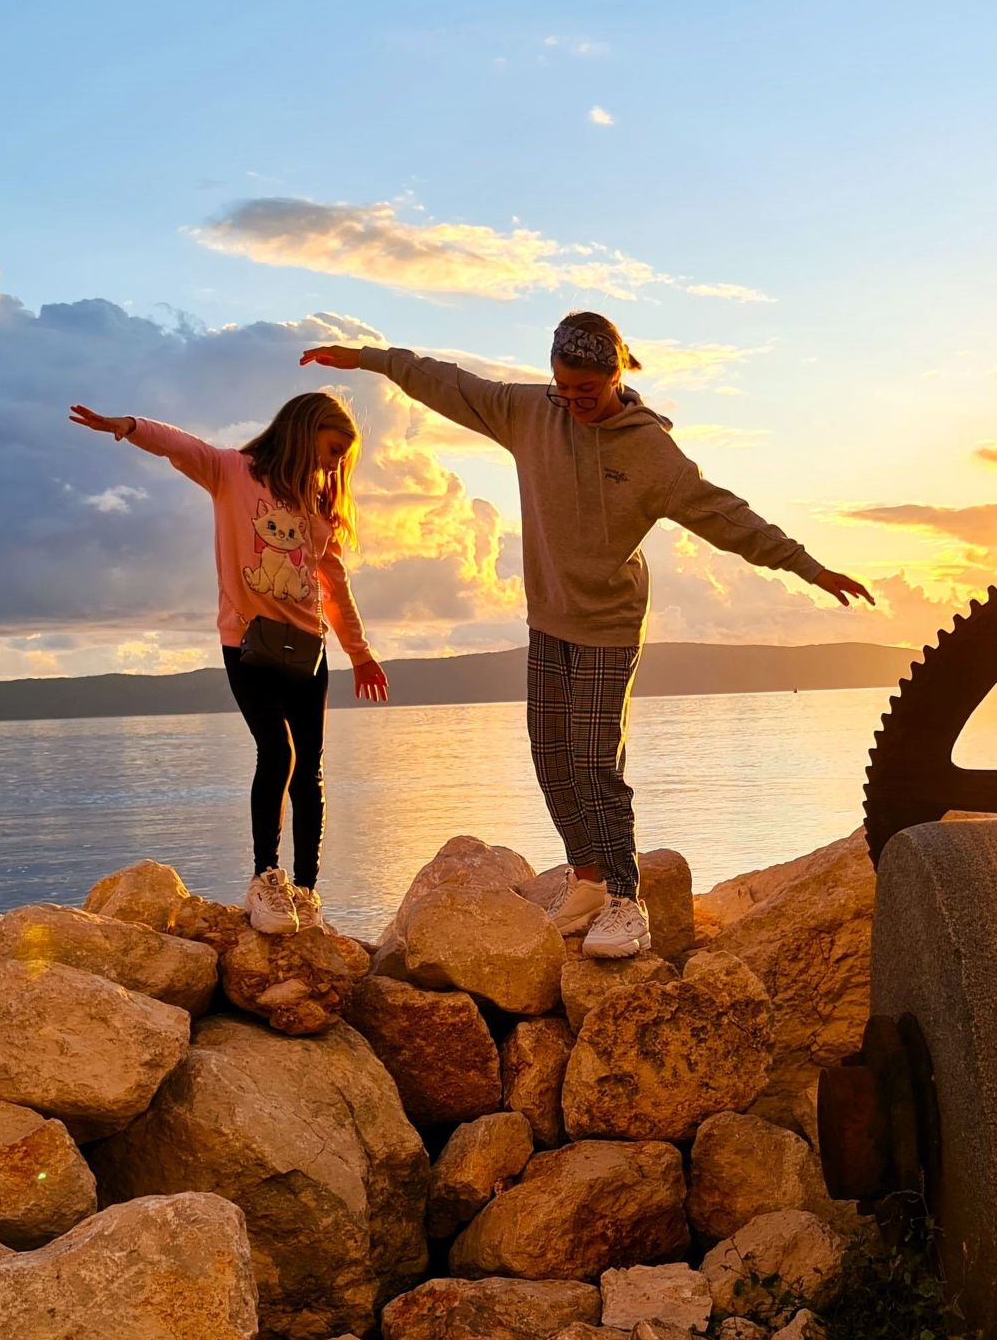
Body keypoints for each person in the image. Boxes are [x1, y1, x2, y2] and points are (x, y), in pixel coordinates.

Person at [301, 312, 872, 958]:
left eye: (586, 392)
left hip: (608, 625)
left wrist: (809, 567)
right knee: (550, 751)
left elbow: (727, 517)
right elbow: (446, 382)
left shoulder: (650, 453)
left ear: (615, 376)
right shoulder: (527, 413)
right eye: (562, 389)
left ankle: (628, 901)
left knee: (595, 759)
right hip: (548, 620)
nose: (571, 403)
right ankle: (587, 880)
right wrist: (368, 358)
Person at [68, 392, 389, 934]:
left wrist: (359, 653)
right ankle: (266, 880)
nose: (334, 465)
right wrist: (126, 425)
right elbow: (179, 445)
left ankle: (307, 894)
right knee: (276, 751)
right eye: (332, 449)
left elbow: (333, 585)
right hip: (247, 643)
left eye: (341, 458)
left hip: (308, 648)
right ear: (305, 430)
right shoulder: (232, 473)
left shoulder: (316, 505)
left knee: (309, 771)